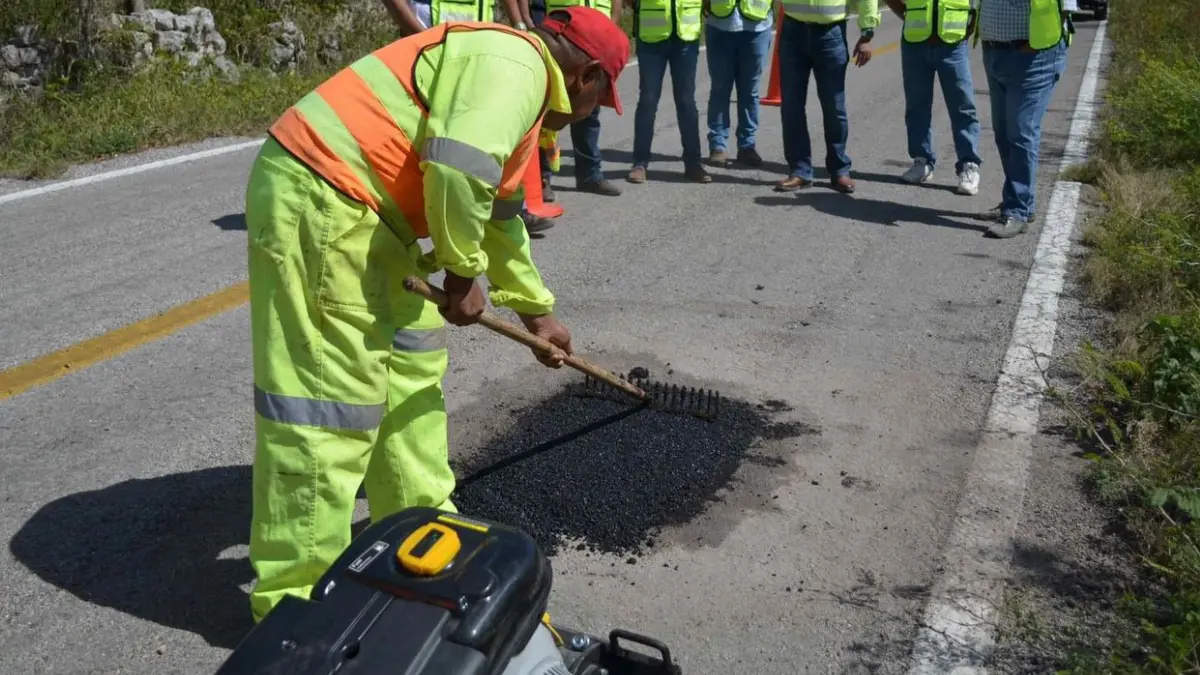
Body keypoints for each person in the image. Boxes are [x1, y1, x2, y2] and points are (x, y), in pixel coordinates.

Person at [243, 7, 630, 623]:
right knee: (327, 407)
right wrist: (458, 274)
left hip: (376, 216)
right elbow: (456, 171)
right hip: (323, 193)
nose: (588, 118)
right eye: (598, 103)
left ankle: (422, 540)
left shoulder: (518, 107)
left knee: (411, 382)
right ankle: (296, 610)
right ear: (585, 76)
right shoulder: (514, 66)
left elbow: (501, 218)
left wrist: (538, 315)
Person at [380, 0, 560, 234]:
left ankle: (503, 214)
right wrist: (421, 38)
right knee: (424, 140)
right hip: (429, 49)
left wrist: (519, 22)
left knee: (488, 131)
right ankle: (414, 224)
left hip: (479, 50)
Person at [976, 0, 1074, 238]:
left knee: (1020, 132)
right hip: (995, 52)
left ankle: (1017, 210)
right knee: (1003, 132)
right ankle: (1018, 202)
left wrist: (1034, 44)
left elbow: (1067, 6)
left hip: (1034, 56)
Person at [774, 0, 879, 194]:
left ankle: (839, 170)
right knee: (791, 107)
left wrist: (867, 32)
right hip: (793, 30)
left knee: (834, 107)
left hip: (831, 34)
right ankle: (800, 171)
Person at [886, 0, 983, 195]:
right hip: (916, 42)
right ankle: (922, 161)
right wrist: (911, 14)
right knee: (916, 106)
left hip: (953, 42)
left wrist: (972, 22)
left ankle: (969, 165)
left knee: (962, 106)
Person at [535, 0, 626, 198]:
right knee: (543, 117)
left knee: (587, 115)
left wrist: (613, 22)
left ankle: (589, 175)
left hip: (594, 40)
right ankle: (539, 180)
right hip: (565, 38)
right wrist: (523, 21)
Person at [626, 0, 712, 184]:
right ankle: (640, 163)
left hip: (686, 38)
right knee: (647, 101)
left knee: (687, 102)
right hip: (651, 38)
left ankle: (693, 164)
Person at [703, 0, 774, 169]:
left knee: (750, 91)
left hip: (757, 25)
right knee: (720, 89)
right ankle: (718, 145)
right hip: (719, 24)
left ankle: (747, 145)